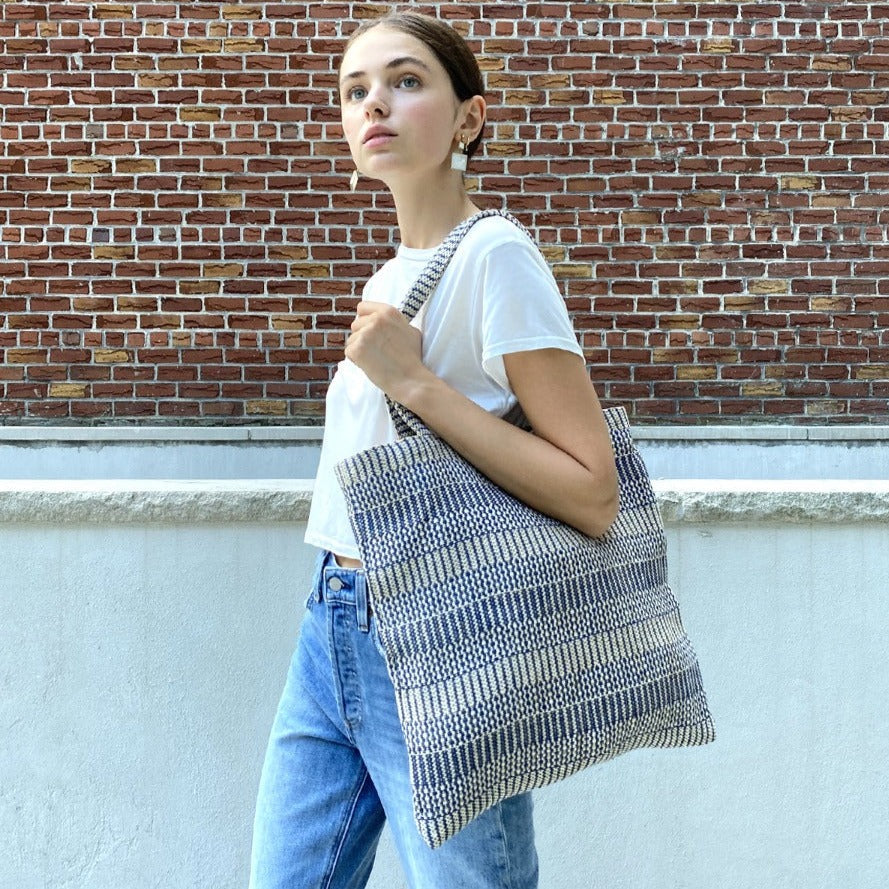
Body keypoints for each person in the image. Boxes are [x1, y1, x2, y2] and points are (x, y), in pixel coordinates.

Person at [248, 11, 619, 889]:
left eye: (406, 81)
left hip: (440, 626)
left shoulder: (497, 257)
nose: (374, 101)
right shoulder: (393, 274)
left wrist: (414, 384)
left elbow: (593, 489)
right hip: (332, 619)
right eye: (354, 89)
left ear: (468, 118)